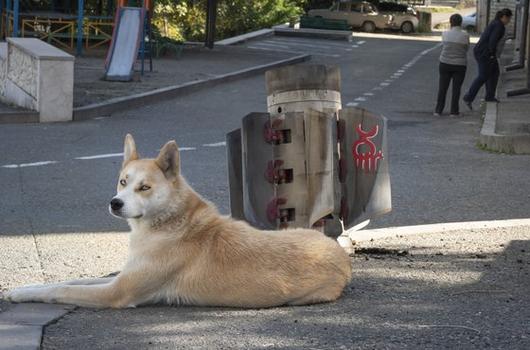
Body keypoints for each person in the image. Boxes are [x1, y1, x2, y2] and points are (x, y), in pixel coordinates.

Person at [463, 8, 513, 109]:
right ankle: (468, 97)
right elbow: (492, 41)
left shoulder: (496, 23)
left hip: (483, 51)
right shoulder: (499, 26)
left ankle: (490, 96)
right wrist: (491, 54)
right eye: (509, 18)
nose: (509, 21)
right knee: (483, 76)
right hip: (484, 53)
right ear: (503, 17)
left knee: (494, 73)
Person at [434, 14, 470, 117]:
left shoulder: (445, 34)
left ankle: (438, 110)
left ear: (450, 22)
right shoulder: (465, 35)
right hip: (460, 64)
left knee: (442, 87)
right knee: (456, 88)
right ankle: (454, 111)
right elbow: (466, 49)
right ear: (461, 23)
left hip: (445, 62)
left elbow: (444, 45)